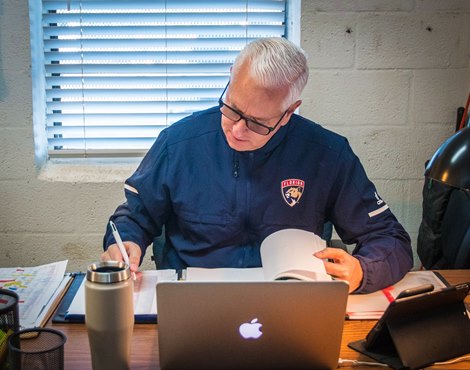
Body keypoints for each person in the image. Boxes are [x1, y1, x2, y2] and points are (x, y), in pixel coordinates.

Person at [102, 37, 413, 293]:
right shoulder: (178, 144)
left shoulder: (327, 154)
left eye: (258, 122)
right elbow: (134, 216)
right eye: (233, 109)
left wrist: (362, 271)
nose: (237, 130)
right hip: (192, 300)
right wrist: (127, 242)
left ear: (290, 111)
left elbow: (391, 240)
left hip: (290, 302)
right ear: (230, 78)